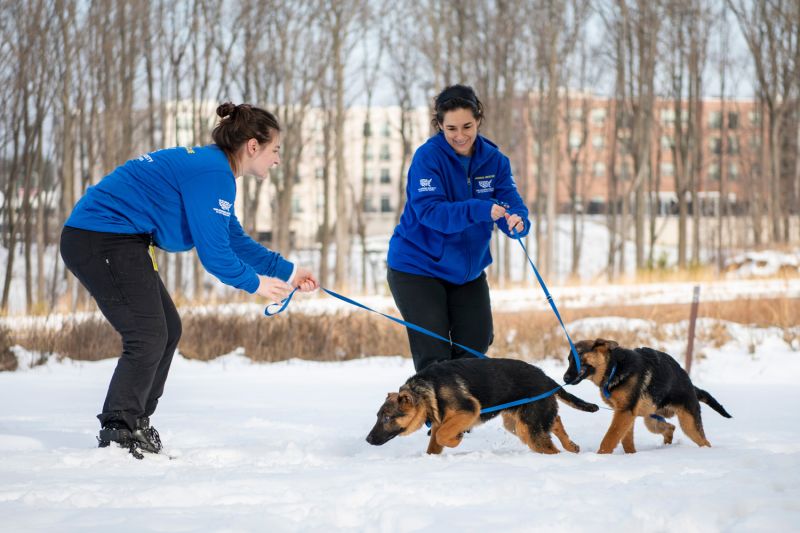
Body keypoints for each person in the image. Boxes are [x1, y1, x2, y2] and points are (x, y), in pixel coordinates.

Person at [60, 102, 318, 458]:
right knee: (148, 333)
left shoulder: (215, 170)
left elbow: (233, 239)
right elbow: (215, 256)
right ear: (253, 146)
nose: (277, 159)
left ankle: (135, 421)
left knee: (167, 327)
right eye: (274, 150)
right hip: (101, 237)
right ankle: (119, 427)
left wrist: (288, 271)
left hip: (121, 239)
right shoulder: (213, 174)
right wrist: (256, 284)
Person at [387, 84, 530, 372]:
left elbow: (509, 201)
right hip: (418, 267)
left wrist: (516, 220)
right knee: (435, 354)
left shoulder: (495, 161)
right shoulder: (428, 158)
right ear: (439, 125)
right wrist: (481, 208)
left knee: (474, 347)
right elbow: (430, 212)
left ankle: (461, 413)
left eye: (467, 126)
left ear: (478, 118)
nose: (460, 135)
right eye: (451, 128)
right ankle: (438, 415)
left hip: (468, 271)